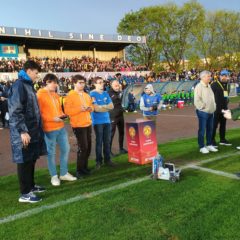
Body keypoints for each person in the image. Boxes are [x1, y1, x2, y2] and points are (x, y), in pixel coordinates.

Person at [8, 60, 46, 203]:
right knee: (24, 160)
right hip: (24, 131)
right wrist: (22, 131)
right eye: (36, 73)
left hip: (32, 130)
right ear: (29, 71)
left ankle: (30, 186)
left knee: (31, 159)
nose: (37, 76)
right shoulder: (19, 85)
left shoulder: (28, 85)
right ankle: (24, 193)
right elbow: (15, 110)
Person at [37, 73, 77, 186]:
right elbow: (39, 114)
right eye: (54, 83)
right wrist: (52, 118)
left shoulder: (55, 95)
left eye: (56, 83)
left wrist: (63, 115)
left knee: (66, 149)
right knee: (51, 153)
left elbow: (59, 110)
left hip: (60, 127)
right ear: (47, 82)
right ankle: (54, 176)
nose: (56, 85)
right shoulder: (39, 95)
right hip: (49, 128)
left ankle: (63, 173)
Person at [64, 75, 93, 179]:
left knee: (88, 147)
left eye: (83, 82)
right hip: (78, 125)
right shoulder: (70, 95)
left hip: (88, 123)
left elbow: (92, 106)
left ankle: (84, 168)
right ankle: (79, 170)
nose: (82, 84)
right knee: (83, 147)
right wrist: (79, 109)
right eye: (80, 83)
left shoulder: (86, 95)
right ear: (74, 83)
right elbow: (67, 111)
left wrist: (90, 108)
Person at [90, 76, 115, 169]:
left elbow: (112, 106)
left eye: (102, 82)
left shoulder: (105, 93)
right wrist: (105, 107)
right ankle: (98, 161)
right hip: (97, 122)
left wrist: (101, 107)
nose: (102, 84)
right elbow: (96, 109)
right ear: (95, 84)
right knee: (99, 142)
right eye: (99, 82)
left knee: (107, 141)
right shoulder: (92, 94)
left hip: (107, 120)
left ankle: (107, 160)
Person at [194, 70, 218, 154]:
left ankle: (209, 144)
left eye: (210, 76)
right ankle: (201, 146)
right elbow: (197, 100)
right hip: (203, 112)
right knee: (202, 130)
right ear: (203, 77)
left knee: (210, 129)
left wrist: (213, 106)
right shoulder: (199, 86)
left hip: (211, 111)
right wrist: (203, 107)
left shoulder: (209, 86)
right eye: (208, 76)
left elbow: (212, 98)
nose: (210, 77)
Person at [211, 70, 232, 147]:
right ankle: (212, 141)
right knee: (214, 125)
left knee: (223, 125)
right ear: (219, 76)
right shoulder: (214, 85)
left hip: (224, 109)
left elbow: (226, 97)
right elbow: (210, 97)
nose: (224, 77)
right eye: (222, 75)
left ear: (228, 77)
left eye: (225, 76)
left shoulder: (227, 85)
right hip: (215, 109)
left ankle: (222, 139)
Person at [108, 80, 128, 156]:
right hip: (113, 116)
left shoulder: (119, 92)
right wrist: (120, 91)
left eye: (118, 85)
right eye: (115, 85)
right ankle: (108, 151)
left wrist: (120, 91)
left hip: (120, 115)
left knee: (121, 132)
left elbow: (121, 100)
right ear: (111, 86)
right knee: (111, 134)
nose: (117, 87)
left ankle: (121, 148)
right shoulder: (109, 93)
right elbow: (115, 99)